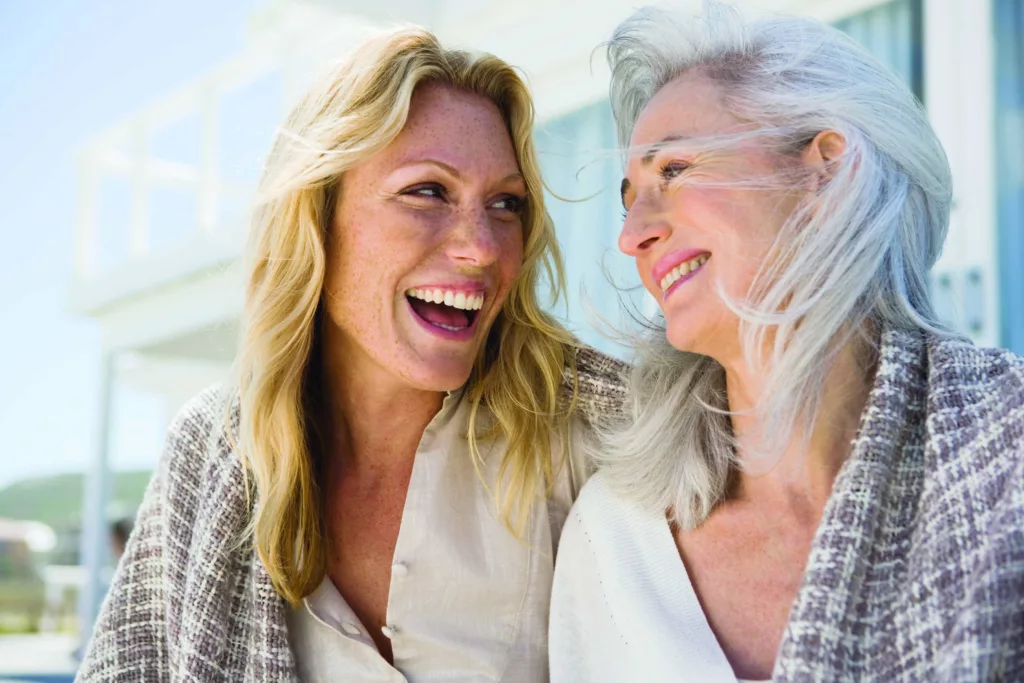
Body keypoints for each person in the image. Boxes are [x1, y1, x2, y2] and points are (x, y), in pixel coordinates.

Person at [77, 26, 626, 682]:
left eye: (505, 204)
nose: (481, 247)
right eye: (428, 191)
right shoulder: (213, 452)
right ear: (319, 216)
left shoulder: (596, 444)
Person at [549, 3, 1024, 682]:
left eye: (674, 171)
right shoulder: (615, 538)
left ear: (823, 172)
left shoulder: (1007, 451)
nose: (633, 234)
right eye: (629, 198)